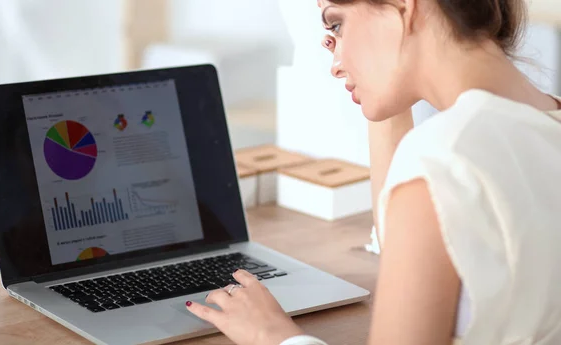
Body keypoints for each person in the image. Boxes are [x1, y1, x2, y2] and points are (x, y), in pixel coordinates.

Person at [185, 0, 561, 343]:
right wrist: (381, 86)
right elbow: (409, 238)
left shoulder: (444, 158)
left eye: (337, 25)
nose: (334, 64)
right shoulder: (534, 128)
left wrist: (276, 336)